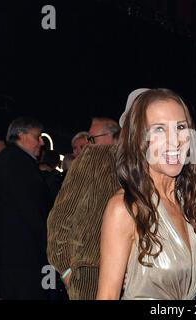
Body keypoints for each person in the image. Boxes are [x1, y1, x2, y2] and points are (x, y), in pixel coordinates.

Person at [97, 88, 196, 300]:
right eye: (159, 129)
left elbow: (185, 272)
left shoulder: (186, 201)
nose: (175, 141)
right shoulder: (124, 208)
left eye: (180, 127)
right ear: (139, 140)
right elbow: (107, 295)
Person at [47, 89, 147, 300]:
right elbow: (59, 220)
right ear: (127, 125)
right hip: (93, 282)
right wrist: (69, 273)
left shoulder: (171, 171)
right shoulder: (96, 158)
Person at [0, 117, 51, 299]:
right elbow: (32, 210)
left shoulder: (4, 160)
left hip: (8, 255)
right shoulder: (19, 164)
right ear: (21, 136)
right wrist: (49, 245)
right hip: (25, 256)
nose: (41, 142)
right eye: (38, 137)